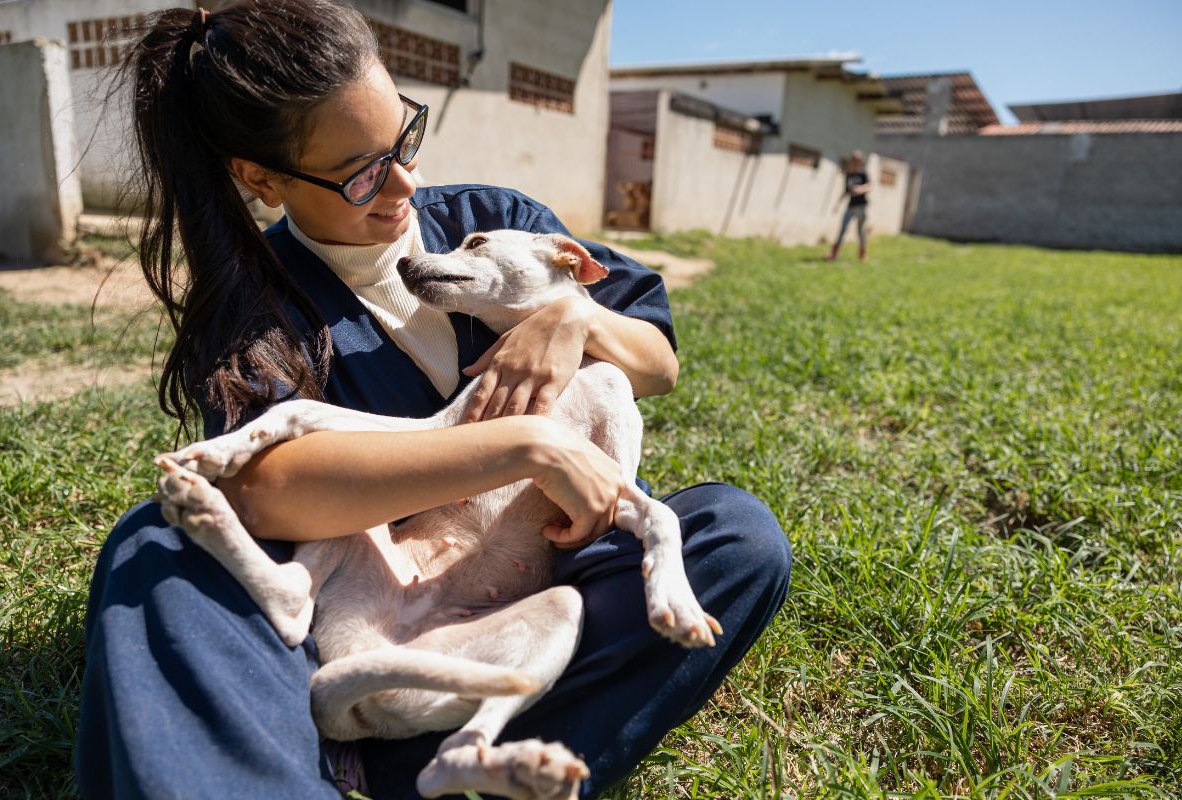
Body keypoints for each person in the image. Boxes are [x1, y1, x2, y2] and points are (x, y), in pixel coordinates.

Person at [73, 2, 792, 798]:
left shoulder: (493, 222)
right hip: (365, 612)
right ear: (260, 177)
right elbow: (268, 488)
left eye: (404, 141)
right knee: (157, 549)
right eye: (361, 171)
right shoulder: (255, 300)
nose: (405, 183)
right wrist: (527, 446)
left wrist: (573, 315)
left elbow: (657, 361)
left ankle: (431, 774)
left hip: (533, 588)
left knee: (735, 538)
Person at [826, 150, 870, 262]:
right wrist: (838, 204)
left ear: (860, 162)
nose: (855, 162)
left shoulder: (863, 174)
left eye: (858, 160)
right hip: (850, 206)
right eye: (853, 160)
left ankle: (862, 254)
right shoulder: (849, 175)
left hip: (861, 206)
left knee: (860, 231)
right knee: (842, 229)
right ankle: (834, 254)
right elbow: (845, 191)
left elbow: (869, 186)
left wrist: (860, 189)